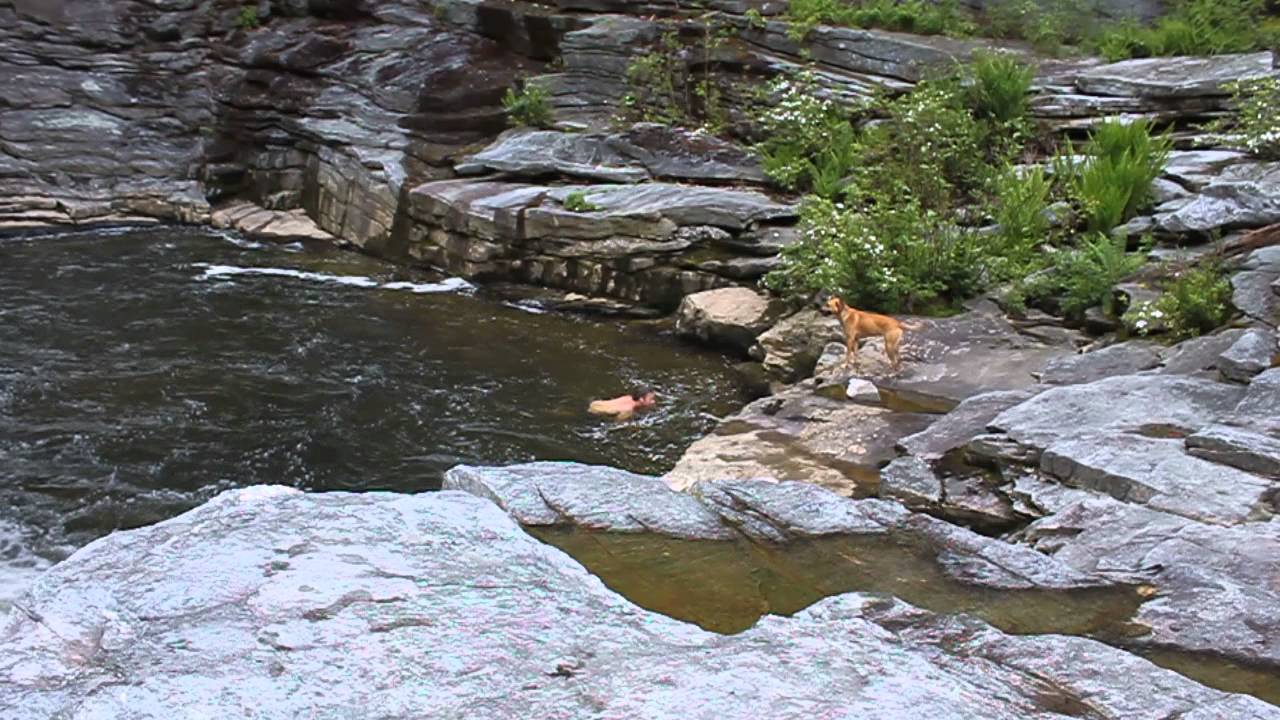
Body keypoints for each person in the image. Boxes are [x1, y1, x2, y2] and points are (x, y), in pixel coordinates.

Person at [588, 386, 657, 420]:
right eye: (651, 399)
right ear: (641, 400)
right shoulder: (628, 410)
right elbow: (617, 422)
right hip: (595, 411)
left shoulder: (628, 397)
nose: (653, 401)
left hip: (596, 403)